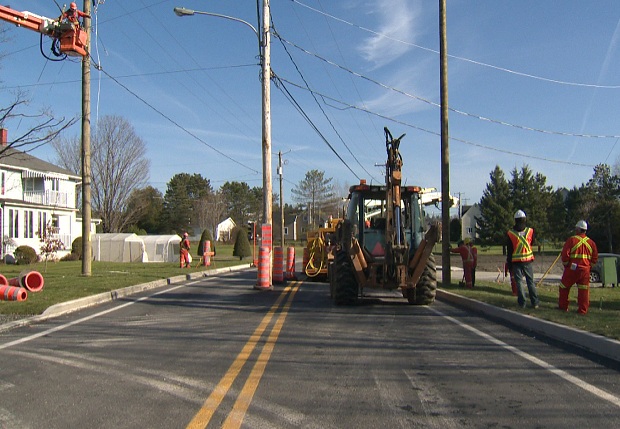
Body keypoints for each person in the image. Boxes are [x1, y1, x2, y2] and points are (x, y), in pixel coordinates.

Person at [559, 220, 598, 314]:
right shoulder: (591, 243)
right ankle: (583, 310)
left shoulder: (572, 240)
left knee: (564, 287)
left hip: (572, 269)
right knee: (583, 290)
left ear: (578, 229)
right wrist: (589, 267)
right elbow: (594, 258)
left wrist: (566, 265)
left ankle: (563, 307)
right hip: (585, 270)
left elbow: (565, 255)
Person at [506, 209, 539, 309]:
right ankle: (535, 302)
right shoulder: (530, 231)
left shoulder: (510, 233)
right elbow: (532, 242)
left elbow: (509, 250)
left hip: (516, 261)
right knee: (530, 281)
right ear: (524, 219)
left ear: (515, 220)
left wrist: (509, 264)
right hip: (528, 260)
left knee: (519, 282)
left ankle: (522, 303)